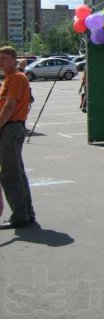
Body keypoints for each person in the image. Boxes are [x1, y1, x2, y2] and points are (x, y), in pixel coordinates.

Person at [0, 46, 36, 229]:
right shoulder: (9, 78)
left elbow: (9, 106)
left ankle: (20, 216)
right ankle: (26, 213)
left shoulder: (16, 78)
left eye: (4, 58)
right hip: (11, 129)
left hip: (10, 129)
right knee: (17, 173)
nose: (1, 61)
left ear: (14, 60)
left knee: (10, 175)